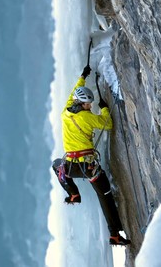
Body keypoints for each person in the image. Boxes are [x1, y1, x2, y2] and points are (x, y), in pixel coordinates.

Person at [52, 65, 131, 246]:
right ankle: (114, 235)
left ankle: (73, 194)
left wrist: (83, 77)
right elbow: (108, 124)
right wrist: (103, 109)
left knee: (56, 165)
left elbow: (73, 92)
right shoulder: (87, 118)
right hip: (89, 169)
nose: (90, 106)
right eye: (88, 104)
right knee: (105, 198)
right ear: (81, 104)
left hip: (71, 167)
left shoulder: (65, 112)